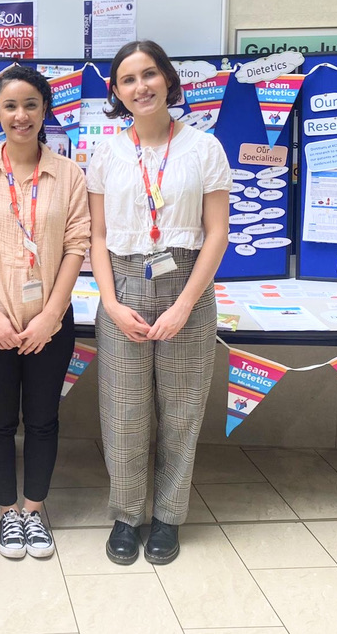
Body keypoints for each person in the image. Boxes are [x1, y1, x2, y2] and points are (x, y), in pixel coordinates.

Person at [87, 40, 230, 566]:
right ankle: (127, 514)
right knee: (123, 412)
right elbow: (97, 238)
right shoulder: (107, 152)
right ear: (116, 92)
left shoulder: (203, 148)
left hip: (186, 285)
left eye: (149, 75)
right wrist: (110, 302)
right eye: (128, 79)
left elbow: (217, 233)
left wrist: (184, 305)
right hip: (122, 288)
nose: (140, 86)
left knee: (181, 411)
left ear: (167, 79)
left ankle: (168, 515)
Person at [0, 66, 90, 559]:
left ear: (44, 109)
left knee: (44, 419)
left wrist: (52, 315)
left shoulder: (68, 174)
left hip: (51, 321)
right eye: (10, 106)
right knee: (0, 420)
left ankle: (34, 510)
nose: (20, 115)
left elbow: (77, 247)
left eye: (30, 104)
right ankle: (8, 512)